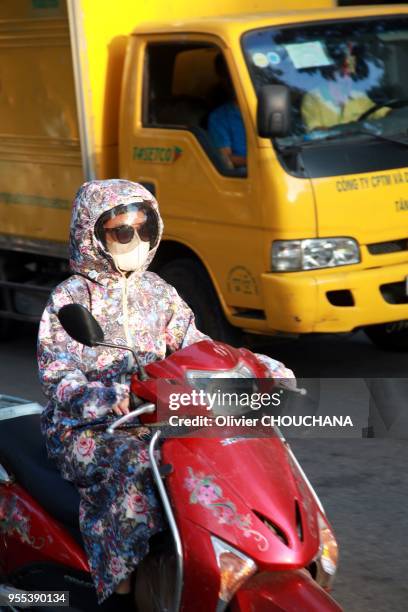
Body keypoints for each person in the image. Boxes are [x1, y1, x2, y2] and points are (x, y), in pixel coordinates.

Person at [37, 179, 295, 608]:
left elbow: (196, 347)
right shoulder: (70, 298)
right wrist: (111, 396)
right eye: (121, 231)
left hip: (158, 414)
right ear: (93, 235)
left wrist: (256, 369)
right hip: (92, 426)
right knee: (138, 466)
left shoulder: (159, 293)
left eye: (144, 229)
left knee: (231, 448)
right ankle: (120, 588)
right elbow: (58, 378)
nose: (134, 240)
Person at [301, 43, 389, 133]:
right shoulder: (313, 98)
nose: (348, 79)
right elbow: (315, 131)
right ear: (329, 74)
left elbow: (377, 112)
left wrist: (393, 113)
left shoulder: (359, 96)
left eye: (351, 75)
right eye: (342, 74)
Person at [207, 54, 247, 169]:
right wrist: (256, 161)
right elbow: (226, 159)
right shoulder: (219, 117)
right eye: (226, 75)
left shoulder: (264, 106)